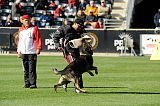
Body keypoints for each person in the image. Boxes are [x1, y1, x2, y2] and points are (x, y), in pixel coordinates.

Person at [52, 19, 86, 91]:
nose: (80, 27)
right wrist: (57, 45)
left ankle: (65, 81)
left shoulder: (81, 29)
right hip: (68, 51)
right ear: (75, 23)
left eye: (82, 26)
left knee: (77, 67)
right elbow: (55, 36)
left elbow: (85, 35)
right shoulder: (65, 28)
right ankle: (78, 86)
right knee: (75, 67)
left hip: (77, 51)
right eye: (79, 25)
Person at [17, 15, 42, 88]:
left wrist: (38, 48)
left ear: (30, 20)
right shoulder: (20, 29)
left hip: (32, 51)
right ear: (22, 21)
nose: (27, 22)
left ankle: (33, 83)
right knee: (25, 69)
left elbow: (39, 38)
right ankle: (27, 83)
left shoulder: (34, 28)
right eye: (25, 20)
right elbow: (20, 41)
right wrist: (18, 51)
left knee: (32, 68)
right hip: (23, 52)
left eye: (28, 20)